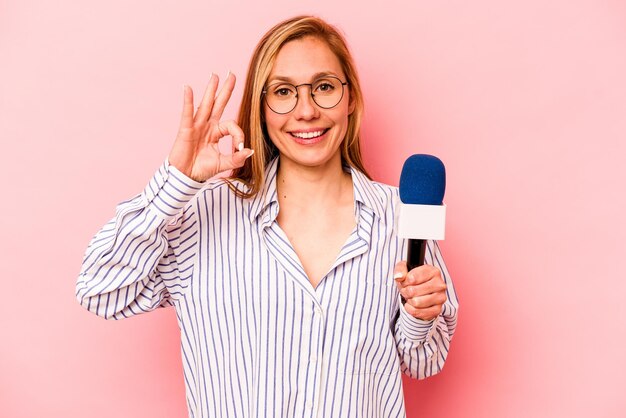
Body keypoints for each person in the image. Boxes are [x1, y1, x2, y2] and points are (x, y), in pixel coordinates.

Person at [76, 15, 459, 418]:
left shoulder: (400, 217)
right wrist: (176, 181)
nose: (306, 110)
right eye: (283, 92)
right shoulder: (205, 214)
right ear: (261, 108)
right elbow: (99, 289)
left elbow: (424, 362)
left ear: (350, 100)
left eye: (324, 87)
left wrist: (421, 314)